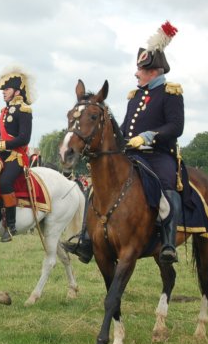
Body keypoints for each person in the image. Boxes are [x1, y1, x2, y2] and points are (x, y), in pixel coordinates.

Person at [66, 21, 183, 264]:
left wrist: (148, 136)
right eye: (138, 69)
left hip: (160, 154)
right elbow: (125, 128)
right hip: (133, 153)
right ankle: (86, 239)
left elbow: (175, 127)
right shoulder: (135, 96)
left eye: (140, 70)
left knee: (166, 187)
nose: (136, 73)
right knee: (95, 189)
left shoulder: (170, 93)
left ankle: (169, 243)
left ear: (154, 72)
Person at [0, 66, 36, 242]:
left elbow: (23, 139)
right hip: (2, 155)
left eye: (6, 89)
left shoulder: (24, 110)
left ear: (17, 91)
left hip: (17, 156)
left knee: (5, 181)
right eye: (3, 90)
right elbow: (1, 134)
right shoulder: (4, 111)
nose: (3, 93)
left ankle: (10, 225)